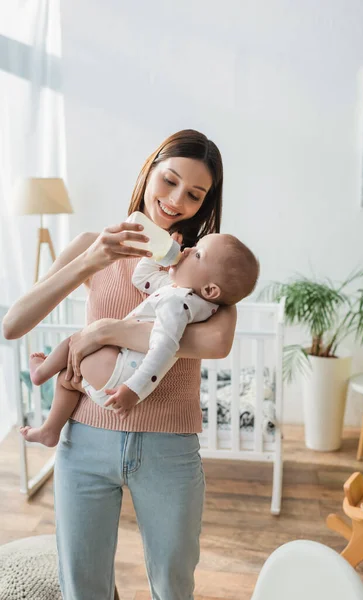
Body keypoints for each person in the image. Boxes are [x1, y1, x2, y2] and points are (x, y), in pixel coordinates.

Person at [2, 129, 238, 600]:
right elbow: (13, 323)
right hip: (84, 444)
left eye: (194, 194)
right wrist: (91, 260)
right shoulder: (95, 245)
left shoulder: (206, 262)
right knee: (83, 588)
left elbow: (215, 343)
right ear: (148, 171)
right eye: (169, 181)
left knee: (173, 586)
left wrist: (102, 331)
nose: (175, 201)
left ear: (206, 202)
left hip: (169, 449)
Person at [21, 232, 259, 447]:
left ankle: (41, 372)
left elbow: (164, 349)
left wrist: (134, 390)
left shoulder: (177, 303)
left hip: (119, 373)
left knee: (76, 340)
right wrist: (156, 255)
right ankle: (50, 431)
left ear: (210, 290)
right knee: (67, 379)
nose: (186, 250)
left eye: (198, 253)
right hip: (115, 374)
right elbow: (142, 278)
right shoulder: (185, 294)